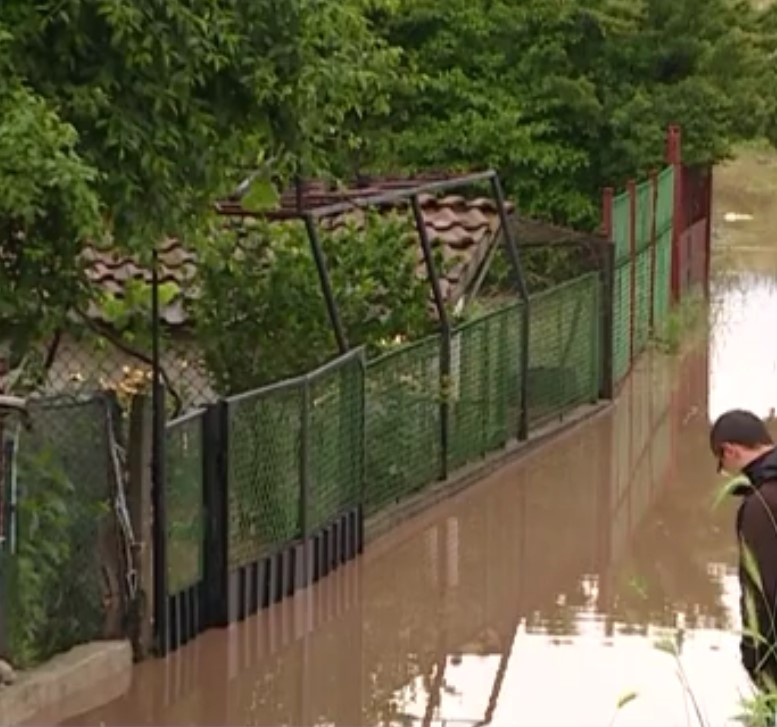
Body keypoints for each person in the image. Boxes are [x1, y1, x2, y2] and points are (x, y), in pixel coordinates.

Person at [710, 409, 777, 694]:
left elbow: (763, 590)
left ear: (730, 451)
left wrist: (755, 659)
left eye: (722, 462)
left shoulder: (761, 505)